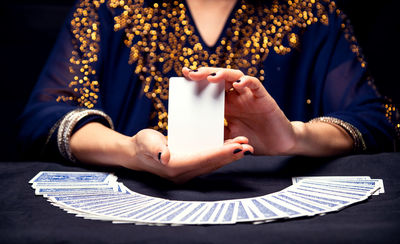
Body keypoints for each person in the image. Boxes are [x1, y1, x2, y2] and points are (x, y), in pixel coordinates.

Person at [18, 0, 397, 183]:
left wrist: (294, 136)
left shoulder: (314, 14)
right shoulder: (105, 9)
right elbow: (46, 115)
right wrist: (133, 151)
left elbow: (376, 119)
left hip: (279, 229)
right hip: (131, 223)